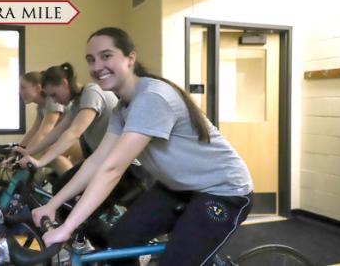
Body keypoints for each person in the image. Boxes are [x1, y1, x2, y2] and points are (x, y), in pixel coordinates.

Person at [31, 27, 254, 266]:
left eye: (106, 56)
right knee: (120, 241)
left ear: (130, 58)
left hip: (223, 190)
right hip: (177, 187)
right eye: (91, 59)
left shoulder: (152, 98)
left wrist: (67, 227)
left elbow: (112, 170)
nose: (97, 66)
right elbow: (96, 162)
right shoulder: (122, 108)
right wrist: (53, 205)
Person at [16, 71, 81, 175]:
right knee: (46, 164)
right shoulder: (41, 107)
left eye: (23, 87)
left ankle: (73, 186)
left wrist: (25, 154)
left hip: (81, 140)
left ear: (37, 88)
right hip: (70, 140)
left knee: (48, 152)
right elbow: (34, 130)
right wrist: (19, 149)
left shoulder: (51, 100)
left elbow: (45, 131)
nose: (19, 92)